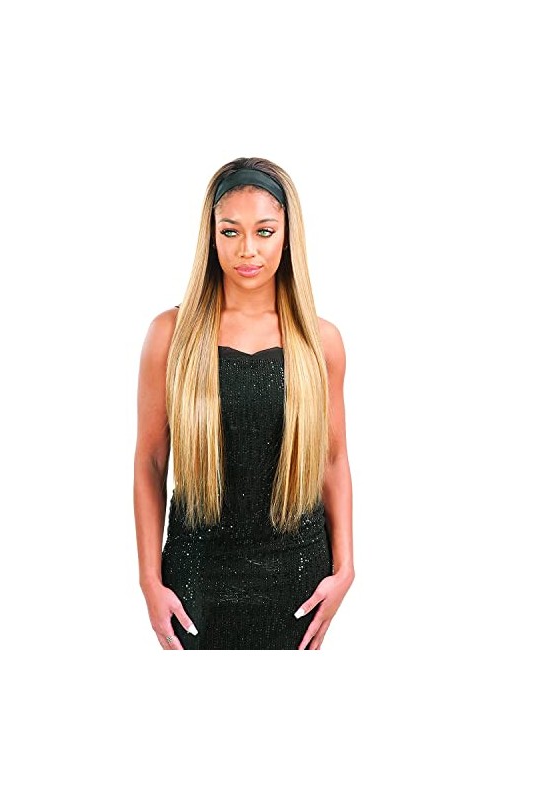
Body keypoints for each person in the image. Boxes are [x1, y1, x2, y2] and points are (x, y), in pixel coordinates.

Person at [133, 156, 354, 650]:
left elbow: (333, 459)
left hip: (297, 580)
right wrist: (149, 579)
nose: (247, 249)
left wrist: (345, 570)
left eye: (264, 231)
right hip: (197, 580)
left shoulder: (321, 343)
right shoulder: (171, 336)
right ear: (211, 237)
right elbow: (150, 460)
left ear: (287, 236)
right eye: (230, 231)